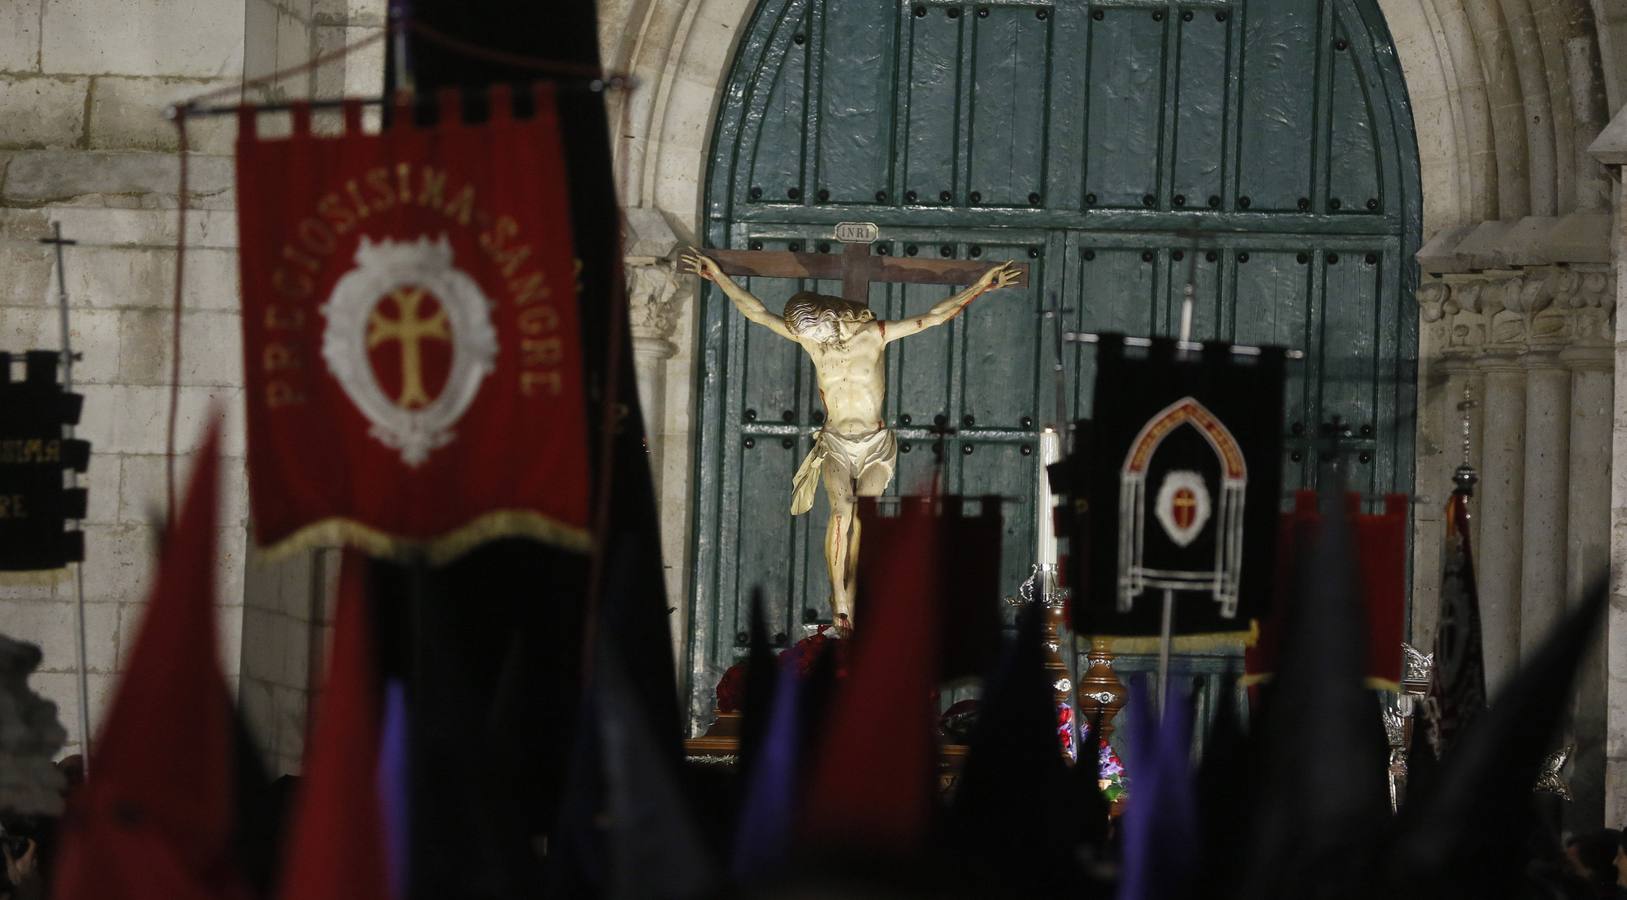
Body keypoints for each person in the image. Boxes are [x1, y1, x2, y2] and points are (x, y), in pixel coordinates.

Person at [681, 249, 1021, 628]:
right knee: (842, 511)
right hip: (836, 443)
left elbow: (936, 317)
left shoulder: (875, 335)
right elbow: (758, 314)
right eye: (807, 336)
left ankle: (856, 592)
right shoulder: (813, 343)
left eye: (816, 333)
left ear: (831, 319)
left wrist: (979, 287)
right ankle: (840, 599)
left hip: (875, 447)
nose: (814, 342)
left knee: (865, 518)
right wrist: (719, 277)